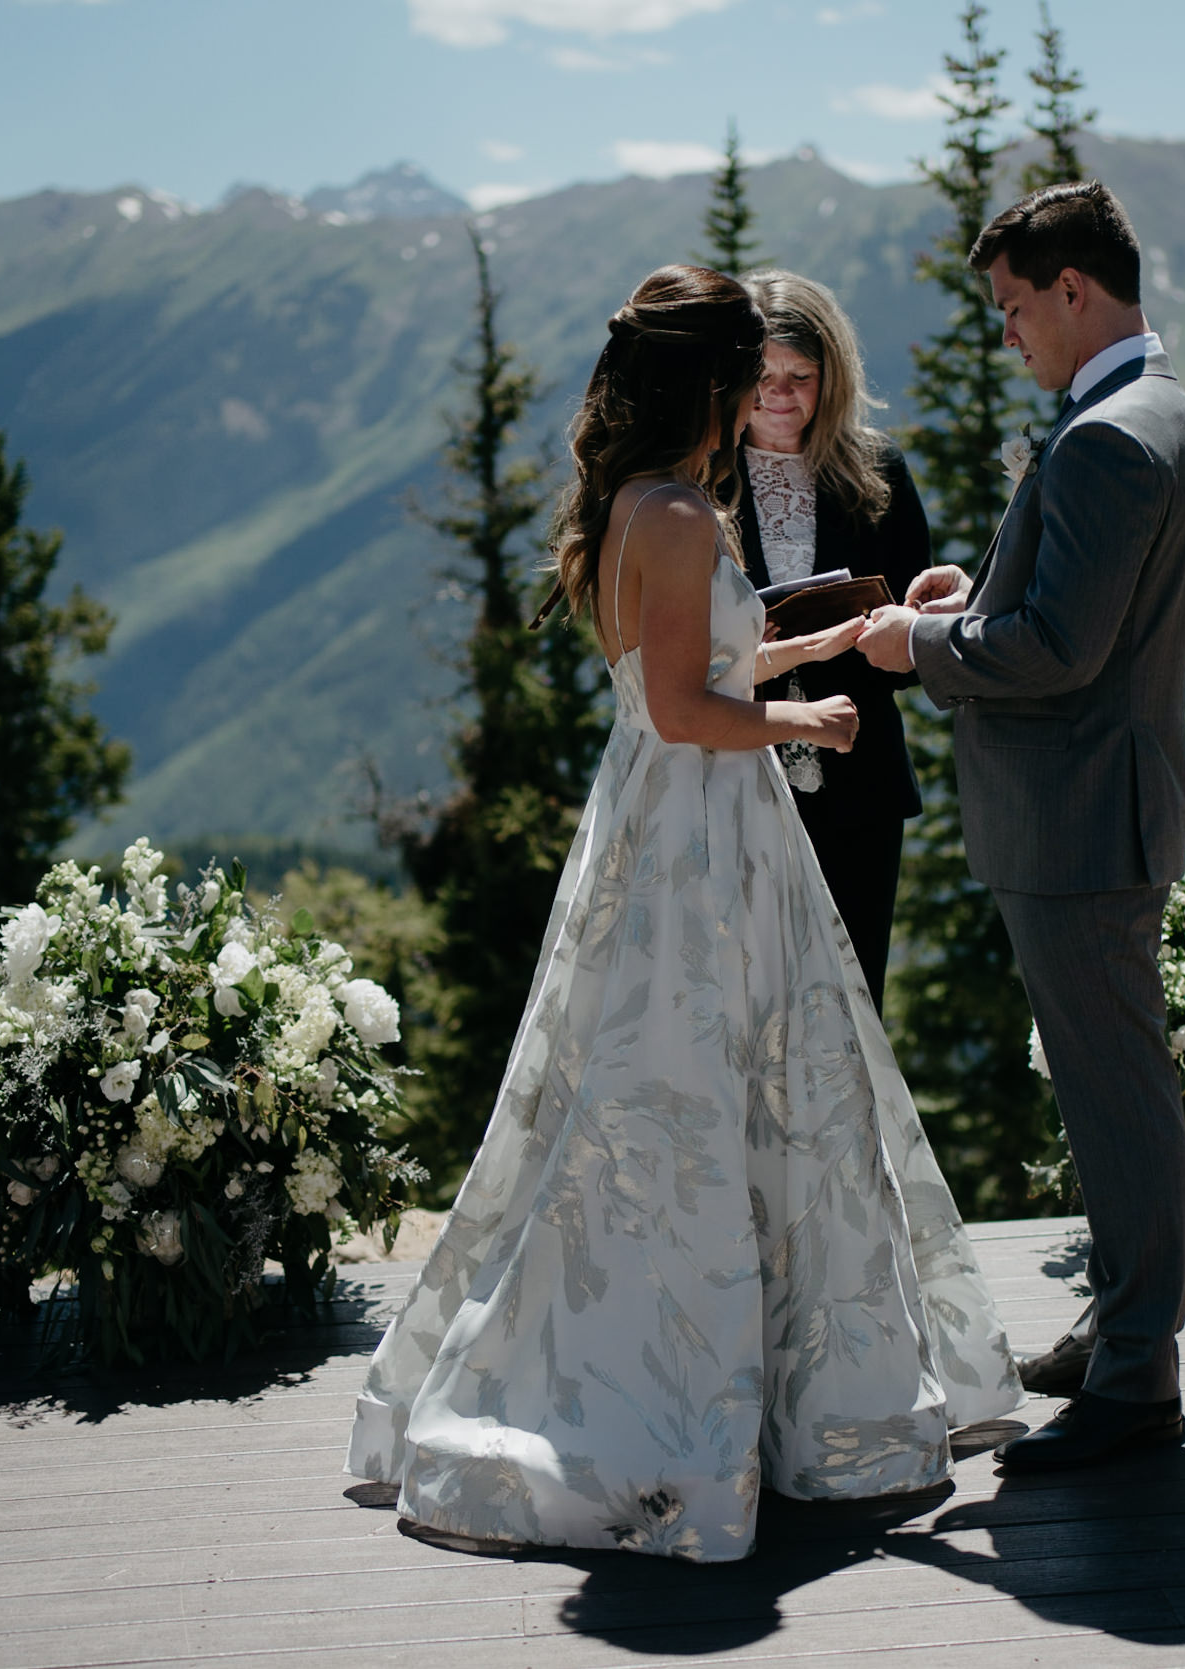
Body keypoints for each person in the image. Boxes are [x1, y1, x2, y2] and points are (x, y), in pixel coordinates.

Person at [347, 265, 1021, 1562]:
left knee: (690, 1083)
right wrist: (802, 720)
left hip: (678, 822)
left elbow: (707, 659)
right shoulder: (674, 516)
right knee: (716, 1088)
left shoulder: (635, 506)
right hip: (699, 829)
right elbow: (684, 710)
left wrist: (819, 648)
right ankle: (698, 1391)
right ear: (711, 387)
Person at [858, 182, 1185, 1473]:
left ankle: (1137, 1380)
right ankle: (1121, 1329)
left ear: (1076, 290)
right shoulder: (1158, 414)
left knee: (1118, 1102)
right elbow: (1075, 606)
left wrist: (918, 643)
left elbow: (1063, 650)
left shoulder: (1106, 438)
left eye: (1014, 306)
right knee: (1108, 1089)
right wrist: (979, 592)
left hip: (1076, 824)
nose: (1007, 331)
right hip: (1099, 811)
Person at [734, 270, 933, 1007]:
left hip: (859, 786)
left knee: (850, 1005)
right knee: (743, 1011)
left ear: (832, 376)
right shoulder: (698, 478)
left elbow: (916, 638)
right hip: (734, 775)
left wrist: (898, 635)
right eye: (760, 374)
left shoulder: (878, 469)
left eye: (800, 375)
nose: (778, 393)